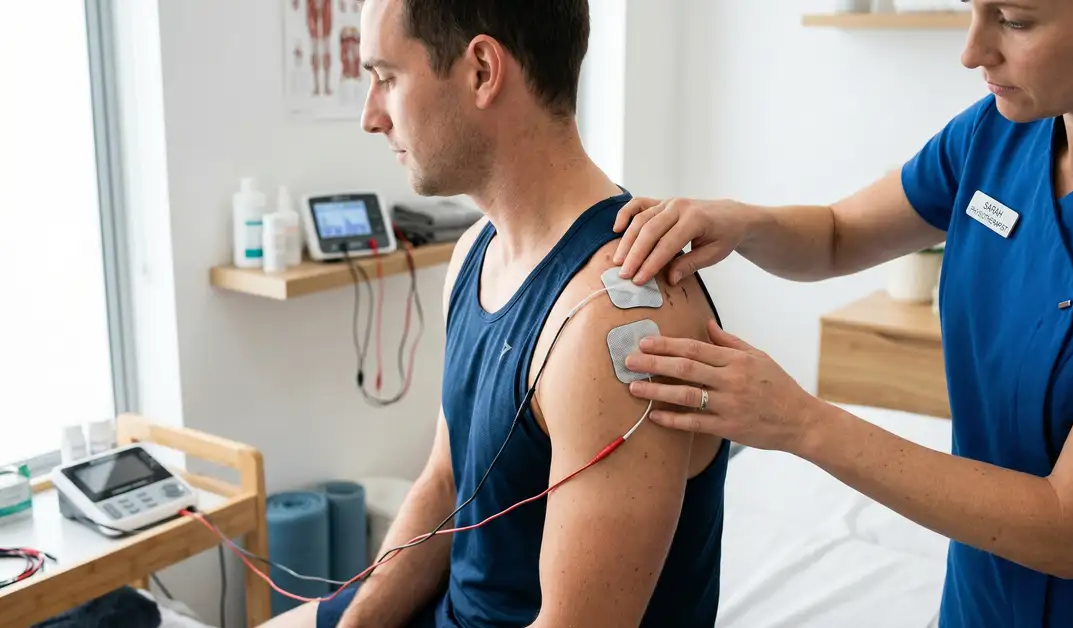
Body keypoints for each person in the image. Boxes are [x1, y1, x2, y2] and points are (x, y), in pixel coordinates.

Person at [610, 1, 1073, 627]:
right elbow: (838, 235)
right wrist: (741, 222)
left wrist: (800, 422)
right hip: (979, 599)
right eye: (973, 9)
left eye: (1016, 21)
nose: (972, 52)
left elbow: (1070, 526)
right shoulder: (998, 134)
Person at [264, 1, 729, 627]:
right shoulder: (473, 254)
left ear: (482, 70)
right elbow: (445, 482)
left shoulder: (611, 326)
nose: (370, 116)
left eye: (387, 78)